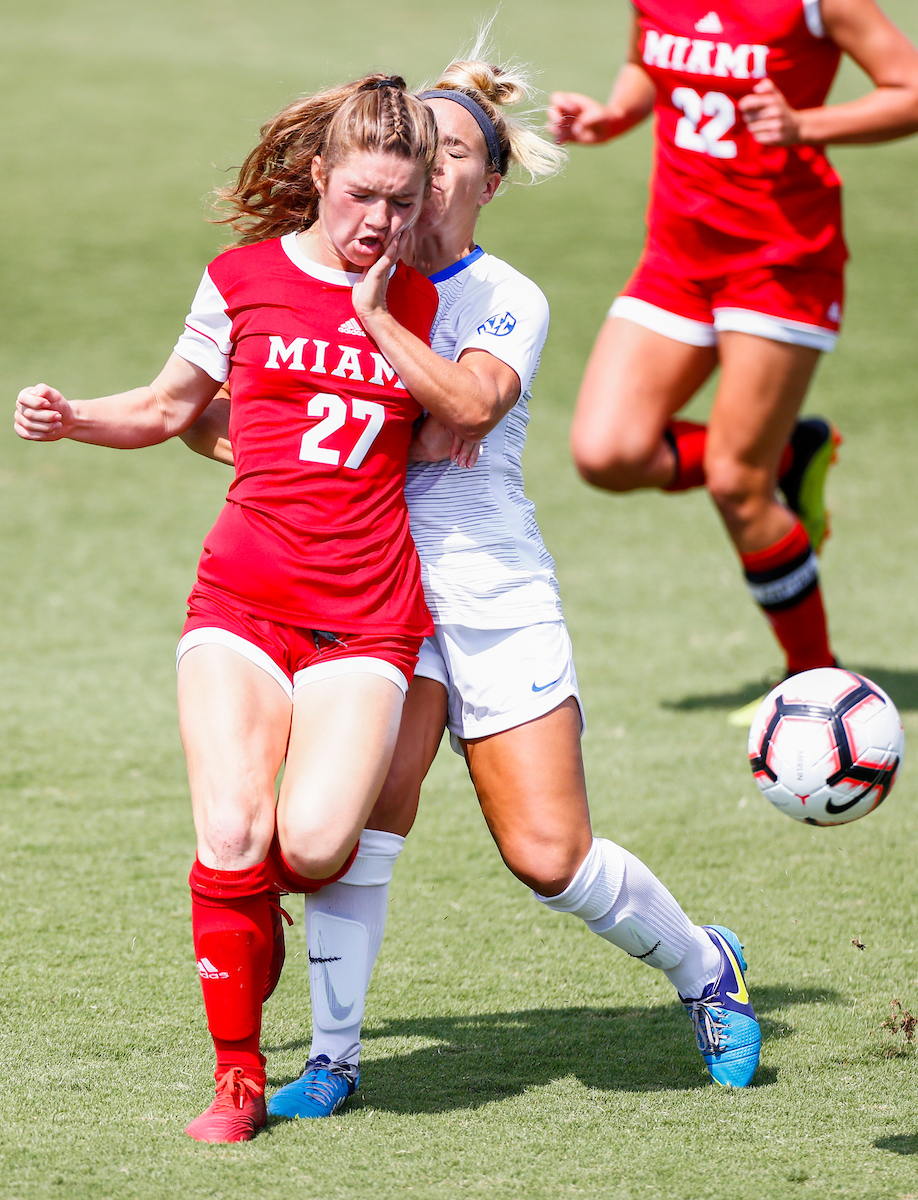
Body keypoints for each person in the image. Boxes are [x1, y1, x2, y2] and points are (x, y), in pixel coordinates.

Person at [185, 52, 763, 1115]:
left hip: (489, 592)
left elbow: (467, 405)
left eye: (457, 156)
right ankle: (333, 1056)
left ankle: (702, 967)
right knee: (354, 835)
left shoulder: (503, 297)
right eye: (421, 153)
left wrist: (380, 333)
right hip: (368, 598)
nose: (434, 174)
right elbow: (233, 414)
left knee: (547, 855)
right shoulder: (330, 268)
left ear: (485, 182)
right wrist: (283, 452)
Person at [12, 74, 482, 1144]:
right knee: (230, 828)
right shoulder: (239, 279)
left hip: (366, 618)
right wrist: (74, 415)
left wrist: (392, 327)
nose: (381, 222)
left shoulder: (422, 295)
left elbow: (463, 415)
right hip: (242, 599)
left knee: (312, 847)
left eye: (403, 203)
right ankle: (236, 1073)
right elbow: (171, 407)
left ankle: (241, 900)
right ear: (318, 176)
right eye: (363, 195)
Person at [549, 0, 918, 723]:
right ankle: (787, 460)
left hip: (782, 261)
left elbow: (909, 90)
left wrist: (807, 125)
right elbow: (644, 64)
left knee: (733, 484)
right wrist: (613, 115)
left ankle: (816, 681)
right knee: (607, 452)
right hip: (677, 258)